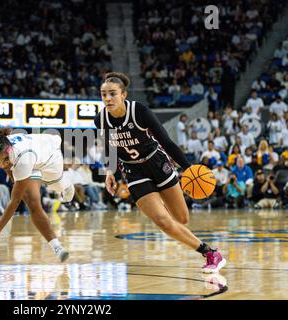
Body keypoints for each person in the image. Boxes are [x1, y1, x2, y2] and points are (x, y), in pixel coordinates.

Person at [94, 72, 226, 273]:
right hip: (132, 170)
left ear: (123, 95)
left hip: (157, 162)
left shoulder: (140, 112)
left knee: (181, 220)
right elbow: (108, 146)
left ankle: (161, 199)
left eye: (112, 93)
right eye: (104, 94)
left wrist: (187, 167)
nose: (108, 98)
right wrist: (110, 172)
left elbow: (166, 141)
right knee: (163, 222)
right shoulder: (100, 120)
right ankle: (210, 253)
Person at [0, 122, 74, 262]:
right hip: (28, 160)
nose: (2, 164)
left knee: (57, 187)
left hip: (49, 157)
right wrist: (18, 184)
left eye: (5, 159)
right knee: (32, 202)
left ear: (9, 150)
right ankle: (57, 247)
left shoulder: (23, 158)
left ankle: (66, 185)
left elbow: (14, 202)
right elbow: (8, 167)